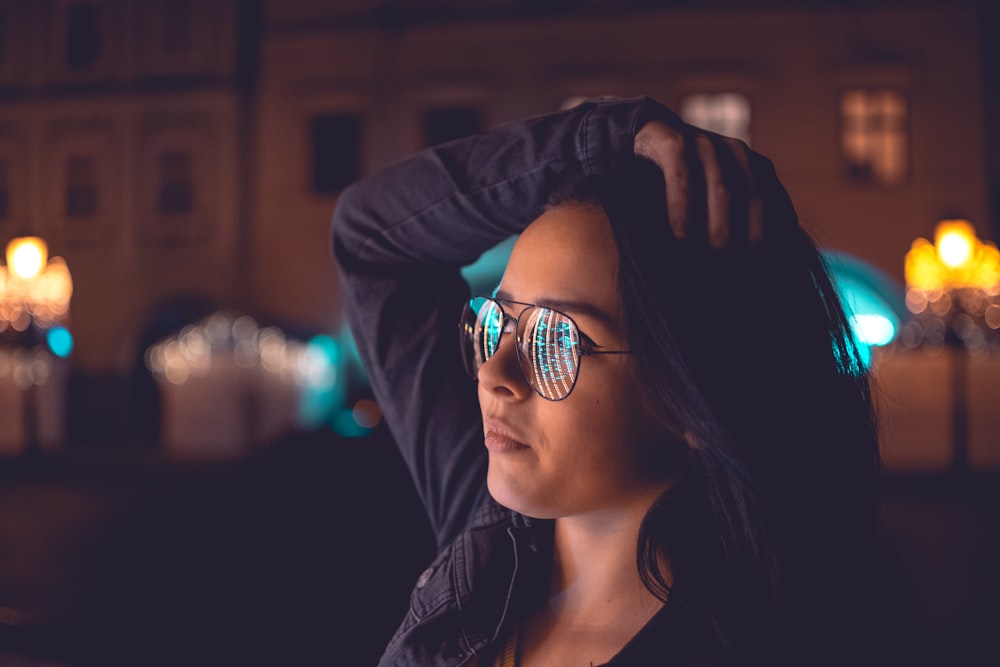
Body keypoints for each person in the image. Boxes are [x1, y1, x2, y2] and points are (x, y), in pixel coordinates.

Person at [332, 96, 914, 666]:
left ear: (692, 399)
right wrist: (608, 141)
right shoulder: (489, 541)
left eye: (558, 340)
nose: (493, 375)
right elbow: (372, 235)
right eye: (499, 323)